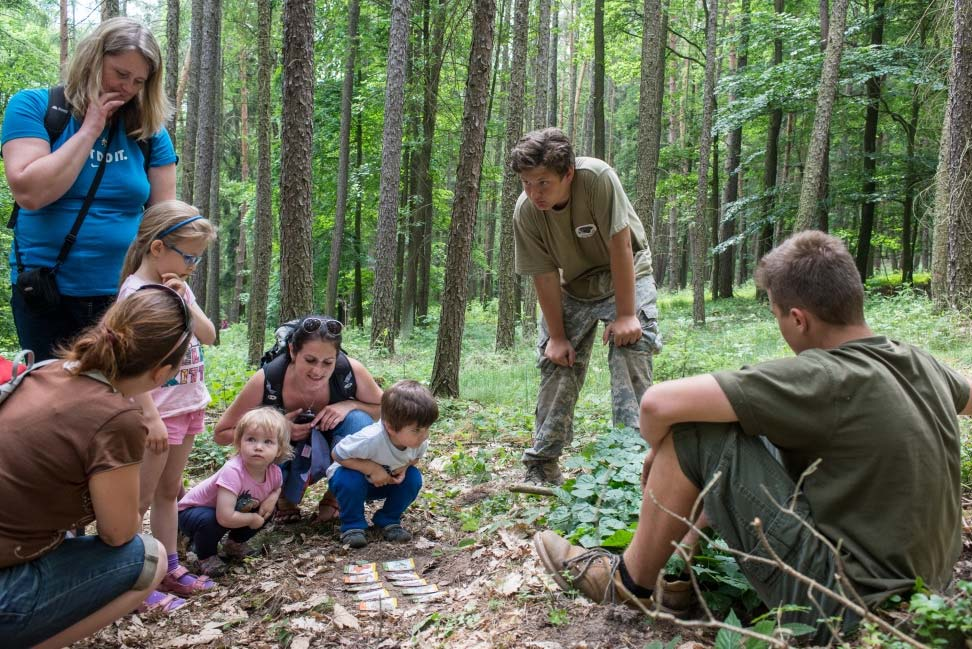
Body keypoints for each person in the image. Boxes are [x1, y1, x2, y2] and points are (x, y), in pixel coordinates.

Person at [532, 231, 972, 643]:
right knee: (746, 423)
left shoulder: (824, 375)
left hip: (847, 610)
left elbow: (656, 405)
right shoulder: (920, 362)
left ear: (798, 319)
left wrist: (660, 453)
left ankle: (628, 582)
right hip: (928, 600)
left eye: (777, 315)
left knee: (696, 432)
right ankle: (679, 568)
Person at [0, 285, 195, 648]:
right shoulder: (116, 417)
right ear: (162, 372)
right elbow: (118, 535)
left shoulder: (46, 370)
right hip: (7, 587)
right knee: (148, 558)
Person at [2, 16, 177, 361]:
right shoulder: (35, 107)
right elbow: (30, 192)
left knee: (113, 400)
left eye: (139, 81)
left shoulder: (149, 132)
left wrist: (163, 283)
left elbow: (163, 220)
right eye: (120, 73)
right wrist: (90, 129)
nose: (127, 87)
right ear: (93, 61)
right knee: (51, 399)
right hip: (46, 292)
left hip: (124, 295)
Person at [510, 127, 661, 485]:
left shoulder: (597, 179)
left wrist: (626, 315)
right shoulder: (526, 212)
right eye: (526, 183)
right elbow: (544, 275)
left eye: (543, 183)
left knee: (631, 347)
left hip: (626, 270)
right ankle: (542, 465)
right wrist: (558, 338)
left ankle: (632, 464)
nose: (534, 193)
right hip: (574, 283)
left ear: (568, 173)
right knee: (555, 360)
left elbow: (621, 246)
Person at [117, 200, 217, 598]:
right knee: (138, 499)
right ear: (157, 248)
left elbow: (208, 335)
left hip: (188, 405)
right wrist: (150, 417)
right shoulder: (135, 294)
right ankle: (129, 579)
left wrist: (186, 299)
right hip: (157, 413)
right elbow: (126, 365)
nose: (193, 265)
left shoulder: (179, 283)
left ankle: (168, 566)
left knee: (168, 491)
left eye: (198, 259)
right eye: (189, 255)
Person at [214, 315, 383, 524]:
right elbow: (221, 434)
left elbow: (385, 409)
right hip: (283, 457)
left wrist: (350, 404)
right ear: (293, 351)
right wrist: (277, 430)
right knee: (269, 442)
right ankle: (282, 496)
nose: (318, 371)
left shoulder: (349, 371)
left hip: (333, 446)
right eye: (310, 360)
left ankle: (335, 496)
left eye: (328, 362)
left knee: (359, 422)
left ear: (337, 357)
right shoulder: (268, 378)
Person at [327, 380, 438, 549]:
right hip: (352, 483)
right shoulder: (370, 439)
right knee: (348, 478)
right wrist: (372, 469)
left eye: (427, 428)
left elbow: (415, 458)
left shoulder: (419, 441)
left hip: (386, 481)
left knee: (413, 478)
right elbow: (337, 454)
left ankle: (388, 519)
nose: (424, 435)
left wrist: (405, 468)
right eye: (416, 430)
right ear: (391, 427)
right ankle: (352, 525)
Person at [178, 408, 290, 576]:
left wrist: (272, 498)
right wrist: (251, 518)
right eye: (251, 439)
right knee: (210, 521)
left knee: (267, 511)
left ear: (279, 449)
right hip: (191, 513)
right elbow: (224, 516)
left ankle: (234, 544)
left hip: (228, 511)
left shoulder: (274, 472)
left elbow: (277, 487)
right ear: (239, 443)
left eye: (268, 442)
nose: (258, 447)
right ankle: (205, 556)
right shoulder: (234, 471)